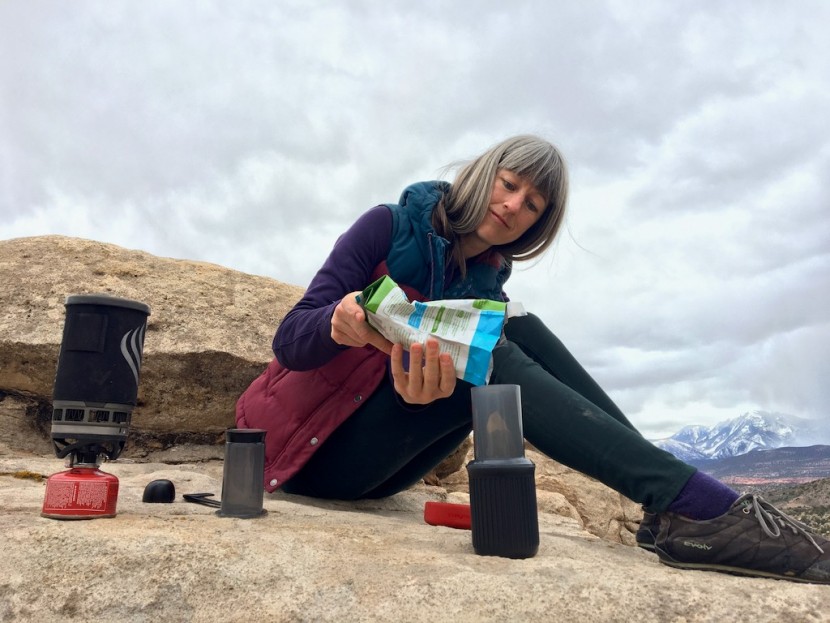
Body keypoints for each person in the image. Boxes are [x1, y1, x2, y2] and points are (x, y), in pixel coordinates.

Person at [236, 135, 829, 584]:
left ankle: (666, 499)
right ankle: (693, 504)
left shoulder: (488, 282)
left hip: (381, 463)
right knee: (494, 353)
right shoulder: (387, 227)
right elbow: (290, 339)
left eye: (533, 204)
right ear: (485, 175)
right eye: (510, 183)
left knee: (519, 328)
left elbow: (438, 394)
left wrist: (428, 394)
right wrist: (337, 325)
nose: (515, 205)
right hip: (306, 456)